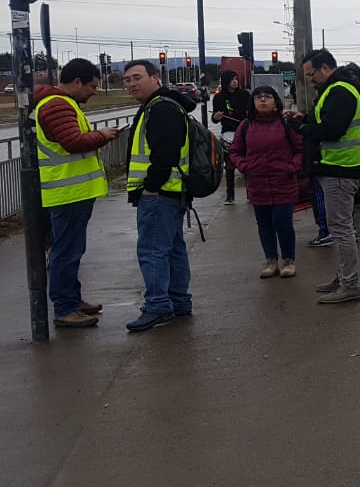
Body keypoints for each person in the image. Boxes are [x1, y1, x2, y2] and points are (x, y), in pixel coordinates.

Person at [35, 58, 119, 328]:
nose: (94, 92)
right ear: (77, 82)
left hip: (70, 191)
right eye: (92, 86)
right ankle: (65, 307)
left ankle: (71, 298)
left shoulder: (60, 103)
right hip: (67, 192)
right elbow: (72, 142)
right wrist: (102, 135)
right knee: (67, 251)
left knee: (71, 249)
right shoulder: (58, 104)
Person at [285, 49, 360, 305]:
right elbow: (325, 121)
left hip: (341, 169)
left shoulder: (340, 91)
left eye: (311, 74)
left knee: (341, 229)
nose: (310, 80)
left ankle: (350, 284)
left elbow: (331, 130)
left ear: (325, 68)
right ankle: (344, 276)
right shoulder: (336, 89)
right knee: (341, 227)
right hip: (339, 167)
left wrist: (301, 127)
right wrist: (305, 118)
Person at [122, 59, 197, 332]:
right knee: (173, 249)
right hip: (171, 192)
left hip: (159, 194)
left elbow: (165, 152)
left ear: (155, 78)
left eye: (137, 77)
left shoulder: (161, 108)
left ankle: (157, 305)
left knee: (153, 251)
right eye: (127, 79)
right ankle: (179, 301)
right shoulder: (165, 105)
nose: (131, 84)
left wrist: (151, 186)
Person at [230, 85, 303, 278]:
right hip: (257, 184)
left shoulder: (286, 124)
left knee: (284, 224)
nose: (262, 100)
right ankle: (271, 260)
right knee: (264, 225)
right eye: (258, 97)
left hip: (283, 183)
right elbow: (235, 151)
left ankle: (289, 260)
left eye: (267, 97)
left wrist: (291, 167)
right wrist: (244, 166)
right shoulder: (245, 126)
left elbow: (300, 150)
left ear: (275, 101)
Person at [212, 70, 252, 205]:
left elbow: (250, 113)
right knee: (229, 166)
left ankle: (250, 194)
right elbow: (215, 118)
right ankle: (230, 195)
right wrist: (215, 118)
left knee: (247, 164)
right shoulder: (219, 97)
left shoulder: (245, 95)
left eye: (236, 79)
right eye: (232, 79)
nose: (235, 82)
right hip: (228, 132)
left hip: (245, 131)